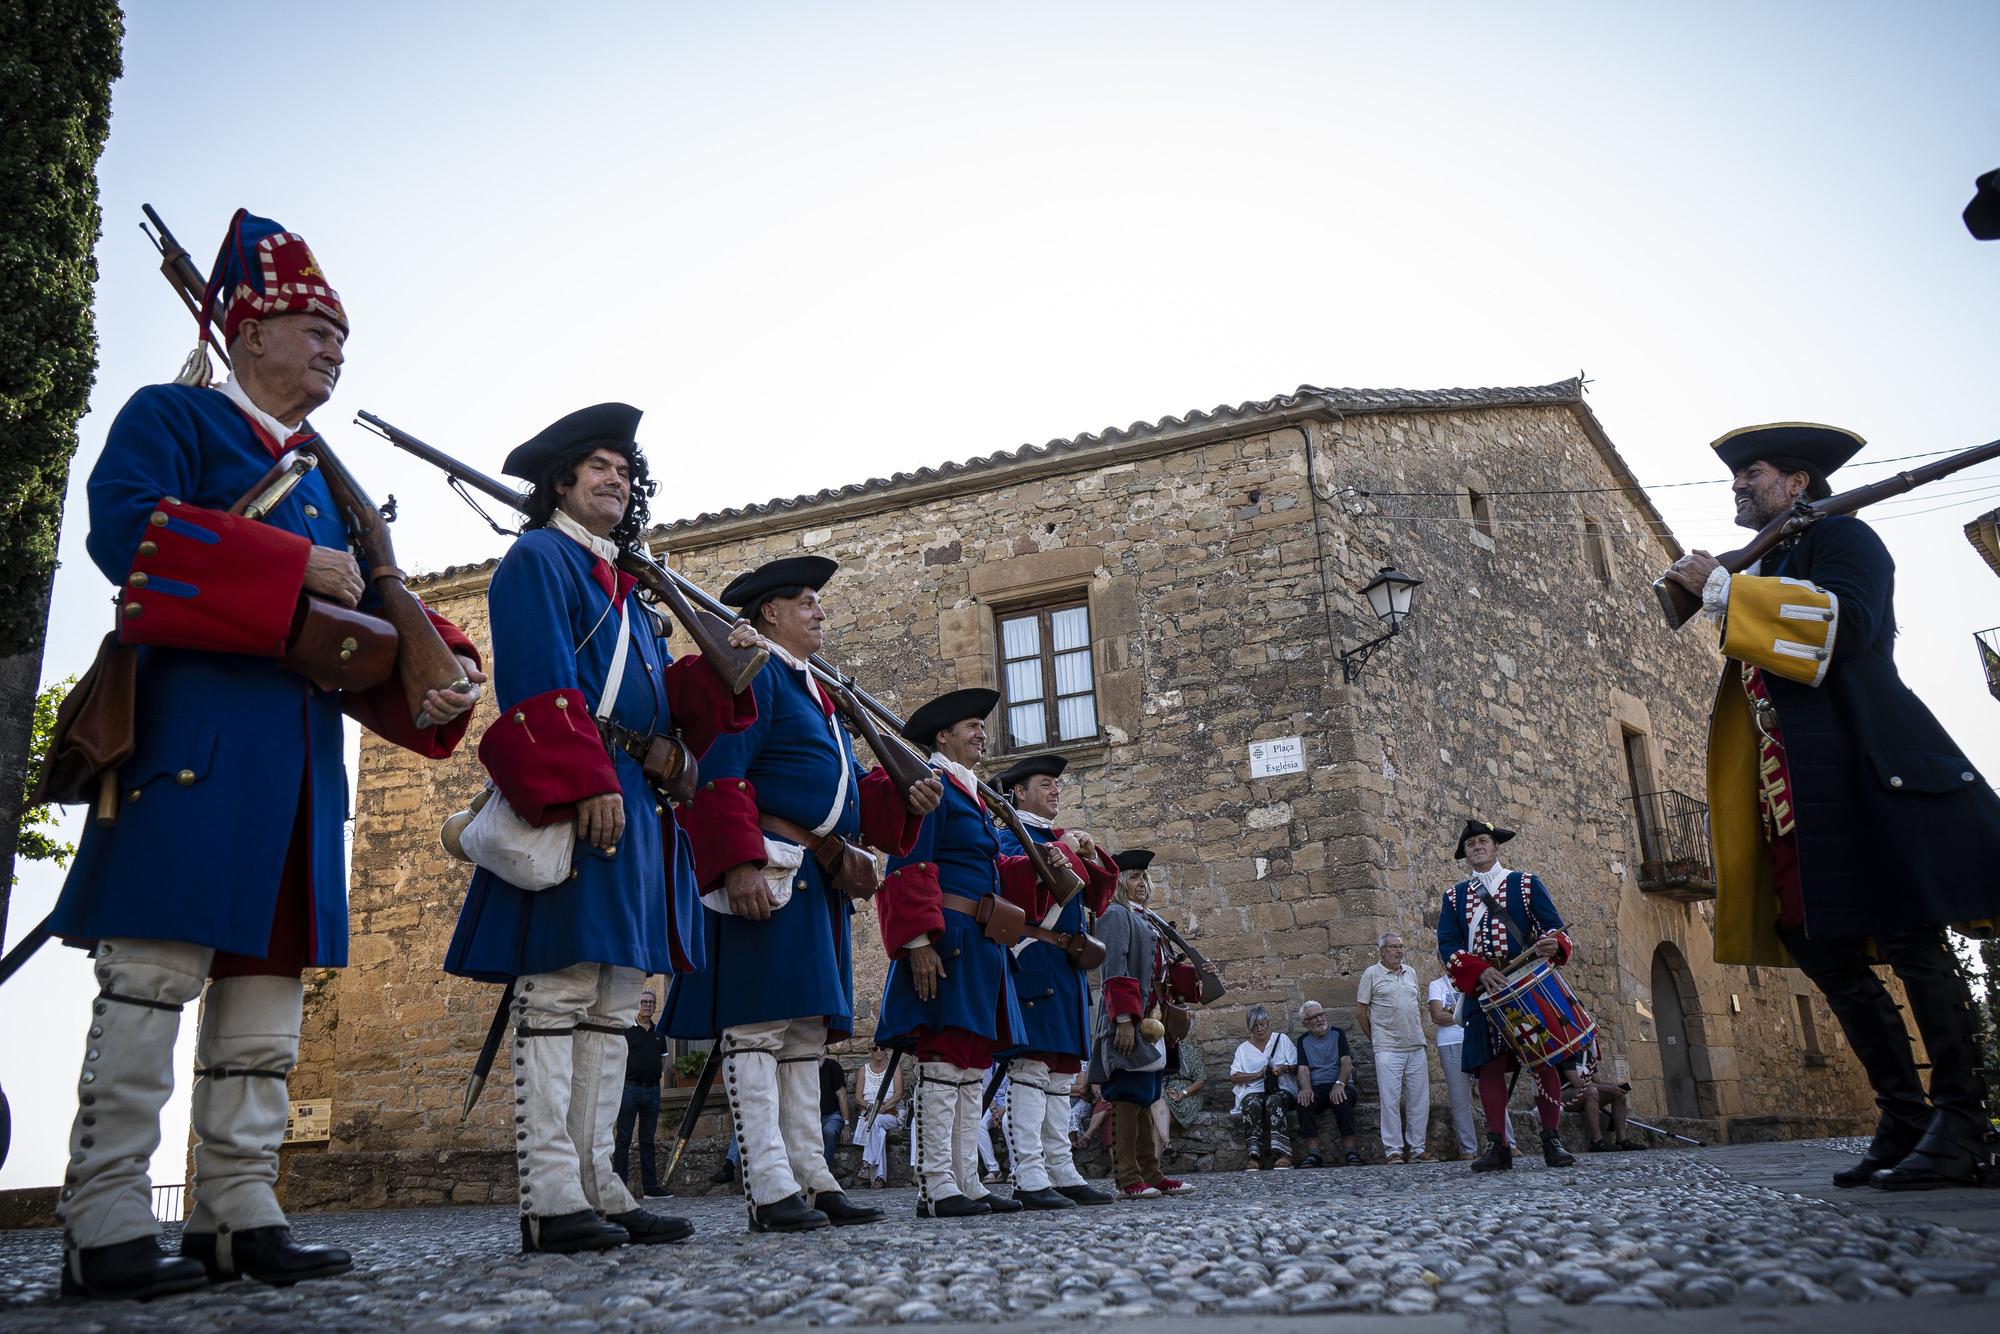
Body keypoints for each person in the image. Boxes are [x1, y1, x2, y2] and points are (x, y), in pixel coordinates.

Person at [46, 209, 485, 1300]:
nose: (335, 348)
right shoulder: (175, 417)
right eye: (314, 327)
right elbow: (127, 534)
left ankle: (237, 1207)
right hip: (188, 738)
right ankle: (104, 1211)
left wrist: (444, 668)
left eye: (340, 334)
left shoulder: (332, 487)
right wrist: (291, 561)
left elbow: (366, 622)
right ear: (245, 333)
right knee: (150, 978)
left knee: (265, 1000)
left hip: (295, 764)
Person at [444, 402, 760, 1254]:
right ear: (559, 482)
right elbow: (539, 677)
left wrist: (724, 671)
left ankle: (600, 1182)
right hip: (587, 781)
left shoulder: (624, 583)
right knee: (559, 984)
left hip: (636, 791)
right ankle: (551, 1192)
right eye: (599, 467)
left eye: (626, 469)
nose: (616, 479)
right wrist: (583, 779)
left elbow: (664, 706)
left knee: (617, 998)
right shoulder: (540, 559)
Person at [1663, 423, 2000, 1190]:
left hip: (1862, 772)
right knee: (1822, 948)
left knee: (1912, 940)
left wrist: (1724, 589)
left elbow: (1848, 631)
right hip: (1793, 793)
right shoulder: (1775, 558)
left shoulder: (1847, 540)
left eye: (1754, 473)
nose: (1739, 486)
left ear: (1801, 483)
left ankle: (1964, 1123)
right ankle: (1906, 1116)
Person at [665, 555, 937, 1232]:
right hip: (770, 865)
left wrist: (904, 792)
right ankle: (767, 1182)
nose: (821, 612)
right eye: (808, 602)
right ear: (769, 615)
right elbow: (721, 769)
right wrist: (736, 864)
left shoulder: (813, 690)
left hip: (815, 875)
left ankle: (812, 1177)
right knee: (756, 1030)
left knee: (805, 1038)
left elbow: (840, 789)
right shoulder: (753, 677)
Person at [875, 689, 1085, 1217]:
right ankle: (936, 1184)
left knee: (971, 1062)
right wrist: (919, 941)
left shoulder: (972, 795)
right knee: (944, 1056)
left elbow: (991, 874)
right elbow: (908, 863)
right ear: (942, 736)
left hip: (979, 939)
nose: (980, 732)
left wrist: (1043, 864)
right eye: (970, 725)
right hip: (947, 937)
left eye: (981, 726)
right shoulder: (933, 785)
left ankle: (966, 1179)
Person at [992, 753, 1120, 1208]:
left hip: (1065, 961)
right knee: (1031, 1067)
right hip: (1034, 955)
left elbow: (1100, 895)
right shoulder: (1009, 836)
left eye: (1055, 784)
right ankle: (1028, 1174)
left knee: (1062, 1070)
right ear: (1019, 792)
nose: (1054, 790)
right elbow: (1020, 888)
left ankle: (1060, 1168)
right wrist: (1065, 846)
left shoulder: (1053, 837)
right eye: (1044, 784)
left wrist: (1087, 853)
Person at [1437, 819, 1579, 1173]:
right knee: (1490, 1066)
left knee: (1543, 1059)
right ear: (1466, 854)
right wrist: (1479, 971)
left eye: (1483, 841)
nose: (1478, 847)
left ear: (1496, 847)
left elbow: (1553, 927)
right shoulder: (1454, 896)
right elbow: (1449, 946)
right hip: (1484, 990)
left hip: (1527, 984)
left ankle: (1551, 1138)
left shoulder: (1526, 883)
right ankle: (1497, 1143)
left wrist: (1552, 943)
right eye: (1471, 845)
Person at [1086, 849, 1194, 1199]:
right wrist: (1124, 1021)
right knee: (1127, 1095)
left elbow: (1158, 970)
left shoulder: (1148, 919)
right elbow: (1114, 969)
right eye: (1134, 877)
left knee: (1147, 1094)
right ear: (1119, 882)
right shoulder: (1116, 915)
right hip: (1128, 1019)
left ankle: (1152, 1173)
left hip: (1154, 1021)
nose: (1142, 884)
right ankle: (1127, 1178)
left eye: (1145, 878)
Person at [1356, 933, 1431, 1162]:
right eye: (1393, 947)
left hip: (1415, 1044)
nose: (1398, 951)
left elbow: (1415, 1006)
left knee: (1420, 1100)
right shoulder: (1372, 974)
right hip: (1387, 1047)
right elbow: (1361, 1012)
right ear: (1382, 951)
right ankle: (1393, 1150)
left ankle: (1418, 1148)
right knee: (1389, 1100)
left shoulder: (1411, 972)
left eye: (1401, 946)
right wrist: (1376, 1039)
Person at [1228, 1005, 1300, 1169]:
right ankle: (1253, 1155)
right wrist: (1257, 1076)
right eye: (1254, 1026)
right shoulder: (1243, 1049)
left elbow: (1297, 1067)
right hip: (1254, 1090)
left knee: (1274, 1101)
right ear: (1249, 1028)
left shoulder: (1281, 1040)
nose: (1259, 1029)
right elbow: (1234, 1076)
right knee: (1251, 1103)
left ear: (1268, 1023)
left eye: (1262, 1024)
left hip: (1282, 1089)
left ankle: (1283, 1154)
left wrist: (1284, 1068)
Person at [613, 989, 668, 1196]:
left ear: (655, 1007)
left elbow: (663, 1060)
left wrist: (654, 1076)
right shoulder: (627, 1029)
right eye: (644, 1001)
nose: (647, 1005)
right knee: (623, 1139)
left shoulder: (658, 1032)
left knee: (648, 1140)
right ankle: (618, 1188)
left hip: (652, 1091)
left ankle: (651, 1188)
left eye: (651, 1003)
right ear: (637, 1004)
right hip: (629, 1089)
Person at [1294, 1001, 1362, 1167]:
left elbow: (1346, 1062)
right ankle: (1314, 1153)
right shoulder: (1303, 1041)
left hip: (1339, 1082)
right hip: (1317, 1087)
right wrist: (1306, 1088)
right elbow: (1302, 1069)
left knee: (1341, 1098)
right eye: (1314, 1017)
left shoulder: (1337, 1034)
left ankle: (1350, 1151)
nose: (1319, 1019)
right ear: (1305, 1023)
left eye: (1321, 1014)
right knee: (1303, 1102)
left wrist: (1339, 1084)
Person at [1427, 973, 1479, 1159]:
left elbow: (1481, 1010)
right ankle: (1468, 1149)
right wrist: (1468, 1013)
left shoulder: (1473, 979)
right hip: (1450, 1043)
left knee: (1492, 1090)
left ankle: (1507, 1142)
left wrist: (1453, 1011)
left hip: (1475, 1040)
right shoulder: (1437, 985)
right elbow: (1437, 1016)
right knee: (1459, 1098)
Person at [1561, 1041, 1641, 1152]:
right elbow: (1577, 1083)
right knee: (1592, 1092)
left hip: (1585, 1093)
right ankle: (1597, 1140)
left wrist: (1615, 1087)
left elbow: (1597, 1081)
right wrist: (1608, 1088)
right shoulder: (1568, 1053)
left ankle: (1622, 1139)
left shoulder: (1588, 1056)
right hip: (1566, 1096)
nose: (1588, 1042)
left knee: (1619, 1095)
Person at [852, 1047, 905, 1188]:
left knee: (874, 1122)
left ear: (887, 1051)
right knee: (877, 1129)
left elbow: (899, 1094)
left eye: (882, 1048)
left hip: (892, 1113)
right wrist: (872, 1109)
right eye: (875, 1048)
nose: (878, 1051)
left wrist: (882, 1108)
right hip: (871, 1114)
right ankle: (879, 1178)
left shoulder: (894, 1068)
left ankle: (867, 1163)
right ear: (870, 1050)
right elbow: (858, 1098)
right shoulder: (864, 1070)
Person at [1159, 1014, 1208, 1150]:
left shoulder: (1189, 1051)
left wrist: (1183, 1093)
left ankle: (1156, 1160)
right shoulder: (1161, 1053)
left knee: (1157, 1119)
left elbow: (1200, 1080)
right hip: (1166, 1095)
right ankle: (1164, 1146)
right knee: (1156, 1105)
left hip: (1188, 1096)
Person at [819, 1056, 851, 1169]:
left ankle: (823, 1170)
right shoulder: (803, 1068)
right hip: (809, 1117)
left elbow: (842, 1095)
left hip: (831, 1116)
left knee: (830, 1131)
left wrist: (846, 1124)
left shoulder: (832, 1066)